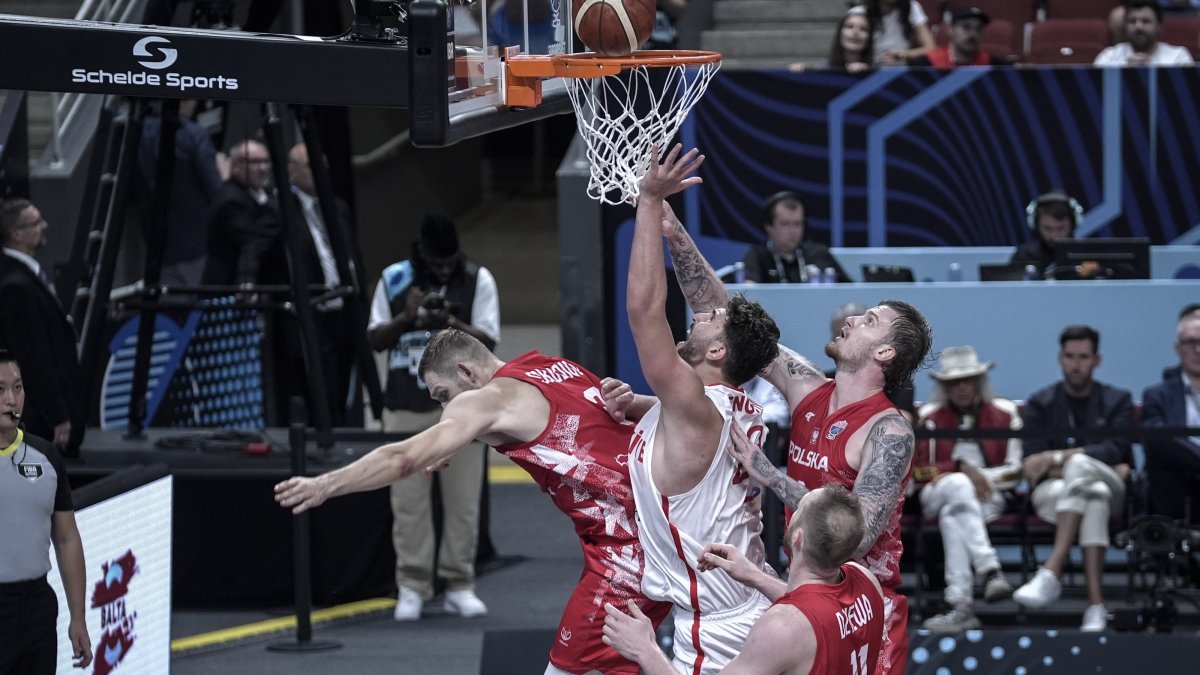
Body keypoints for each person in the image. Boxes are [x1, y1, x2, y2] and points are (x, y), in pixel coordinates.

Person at [275, 329, 672, 674]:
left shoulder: (482, 401)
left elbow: (402, 458)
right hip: (672, 517)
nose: (446, 408)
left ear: (466, 372)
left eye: (443, 395)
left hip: (628, 548)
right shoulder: (552, 365)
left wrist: (326, 484)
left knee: (566, 669)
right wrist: (455, 440)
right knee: (651, 657)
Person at [657, 202, 932, 674]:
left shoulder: (889, 429)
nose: (849, 321)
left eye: (867, 321)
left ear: (884, 351)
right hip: (805, 591)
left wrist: (771, 475)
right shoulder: (807, 386)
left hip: (866, 606)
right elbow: (722, 316)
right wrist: (675, 234)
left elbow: (856, 536)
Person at [625, 145, 781, 674]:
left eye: (709, 323)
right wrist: (642, 407)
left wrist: (648, 202)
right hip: (745, 602)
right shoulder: (739, 406)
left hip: (718, 625)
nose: (700, 316)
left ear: (717, 352)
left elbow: (646, 312)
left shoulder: (694, 405)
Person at [366, 214, 499, 621]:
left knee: (462, 501)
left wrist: (449, 323)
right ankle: (412, 584)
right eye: (436, 264)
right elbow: (373, 338)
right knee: (407, 502)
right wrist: (408, 318)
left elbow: (490, 342)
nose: (444, 270)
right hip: (406, 403)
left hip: (465, 411)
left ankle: (460, 582)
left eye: (449, 262)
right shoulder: (393, 279)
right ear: (420, 254)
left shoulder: (479, 279)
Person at [601, 485, 885, 675]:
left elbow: (802, 623)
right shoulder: (866, 582)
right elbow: (821, 611)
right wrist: (754, 577)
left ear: (797, 537)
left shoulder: (782, 628)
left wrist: (645, 650)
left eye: (798, 509)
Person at [1011, 325, 1133, 632]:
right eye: (1070, 356)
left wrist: (1056, 458)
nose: (1076, 364)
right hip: (1066, 490)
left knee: (1082, 467)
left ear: (1097, 360)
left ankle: (1052, 569)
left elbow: (1115, 448)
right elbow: (1031, 464)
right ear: (1060, 358)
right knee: (1094, 497)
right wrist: (1086, 461)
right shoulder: (1041, 403)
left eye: (1083, 357)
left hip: (1112, 487)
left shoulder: (1118, 400)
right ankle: (1095, 607)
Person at [912, 346, 1021, 632]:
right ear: (944, 386)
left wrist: (979, 477)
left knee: (953, 516)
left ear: (978, 381)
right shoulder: (930, 417)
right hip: (937, 491)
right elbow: (918, 471)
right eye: (953, 383)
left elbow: (1016, 470)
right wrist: (959, 469)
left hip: (987, 494)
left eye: (967, 380)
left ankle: (960, 606)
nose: (961, 388)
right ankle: (990, 568)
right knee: (958, 487)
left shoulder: (1005, 413)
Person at [0, 350, 91, 673]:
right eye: (0, 390)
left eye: (18, 387)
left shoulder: (46, 457)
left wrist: (78, 617)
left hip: (37, 608)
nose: (11, 399)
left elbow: (66, 539)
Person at [284, 142, 362, 426]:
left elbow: (355, 258)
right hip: (313, 313)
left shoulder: (337, 207)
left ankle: (341, 431)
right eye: (309, 167)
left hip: (344, 312)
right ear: (291, 170)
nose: (318, 173)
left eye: (322, 167)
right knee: (320, 389)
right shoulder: (283, 210)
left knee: (345, 385)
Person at [0, 199, 85, 456]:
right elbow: (35, 357)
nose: (44, 226)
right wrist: (58, 414)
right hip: (39, 420)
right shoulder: (17, 286)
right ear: (17, 234)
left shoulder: (22, 275)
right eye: (36, 222)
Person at [137, 99, 226, 288]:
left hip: (157, 247)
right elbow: (216, 189)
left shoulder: (138, 132)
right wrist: (225, 175)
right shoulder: (192, 134)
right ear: (185, 100)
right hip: (195, 247)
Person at [1141, 310, 1200, 523]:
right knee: (1158, 440)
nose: (1198, 350)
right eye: (1190, 342)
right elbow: (1160, 441)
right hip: (1177, 485)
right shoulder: (1157, 395)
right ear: (1178, 349)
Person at [201, 139, 284, 289]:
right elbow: (252, 242)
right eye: (255, 162)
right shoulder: (230, 199)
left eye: (266, 161)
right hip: (232, 289)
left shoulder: (266, 193)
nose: (263, 168)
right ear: (236, 165)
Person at [739, 191, 850, 284]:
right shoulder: (757, 256)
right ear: (769, 227)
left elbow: (850, 292)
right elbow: (749, 294)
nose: (793, 231)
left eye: (797, 224)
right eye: (785, 224)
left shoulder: (820, 254)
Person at [1008, 190, 1081, 279]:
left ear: (1073, 224)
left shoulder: (1085, 255)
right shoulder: (1024, 256)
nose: (1054, 236)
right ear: (1036, 225)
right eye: (1047, 228)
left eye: (1061, 228)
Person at [1096, 0, 1195, 66]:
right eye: (1132, 21)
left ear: (1158, 26)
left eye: (1146, 21)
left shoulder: (1178, 57)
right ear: (1125, 26)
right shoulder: (1109, 57)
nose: (1138, 26)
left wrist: (1151, 71)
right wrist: (1125, 71)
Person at [909, 7, 1005, 67]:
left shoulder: (993, 64)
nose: (973, 34)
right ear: (950, 29)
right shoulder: (926, 64)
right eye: (966, 27)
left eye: (978, 29)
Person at [789, 8, 875, 73]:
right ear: (840, 33)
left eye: (863, 29)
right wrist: (803, 72)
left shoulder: (879, 71)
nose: (855, 32)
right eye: (849, 26)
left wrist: (867, 73)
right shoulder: (824, 67)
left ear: (869, 38)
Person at [862, 0, 934, 65]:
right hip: (868, 68)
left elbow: (931, 48)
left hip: (901, 69)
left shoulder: (911, 7)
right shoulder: (861, 11)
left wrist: (902, 54)